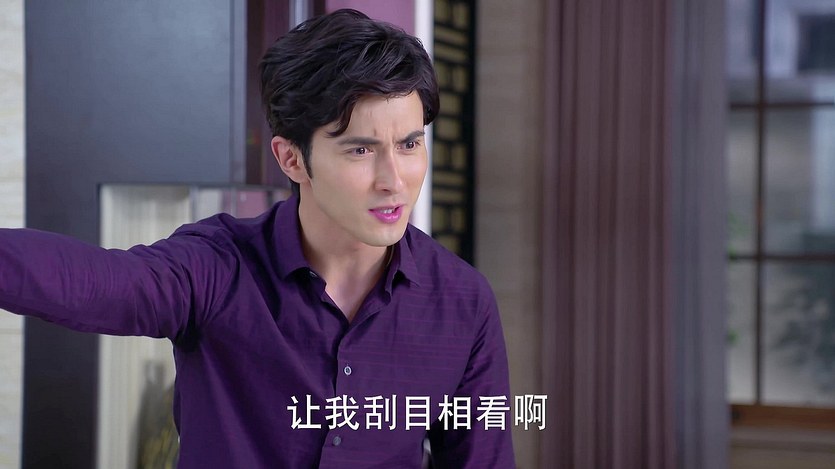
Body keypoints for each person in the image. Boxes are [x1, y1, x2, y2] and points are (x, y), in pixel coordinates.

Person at [0, 8, 514, 468]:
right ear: (291, 159)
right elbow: (102, 282)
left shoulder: (463, 302)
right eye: (360, 150)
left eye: (409, 144)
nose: (393, 180)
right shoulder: (219, 267)